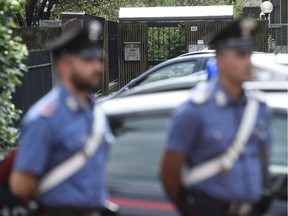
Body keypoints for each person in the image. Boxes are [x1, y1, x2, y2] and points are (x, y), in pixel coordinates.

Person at [159, 18, 272, 216]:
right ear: (219, 60)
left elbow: (261, 164)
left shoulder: (259, 107)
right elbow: (169, 174)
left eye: (249, 54)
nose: (248, 62)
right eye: (240, 55)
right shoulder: (194, 110)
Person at [9, 21, 117, 216]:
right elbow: (21, 185)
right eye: (87, 60)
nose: (97, 67)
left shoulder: (96, 112)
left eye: (98, 59)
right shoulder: (44, 118)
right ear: (64, 67)